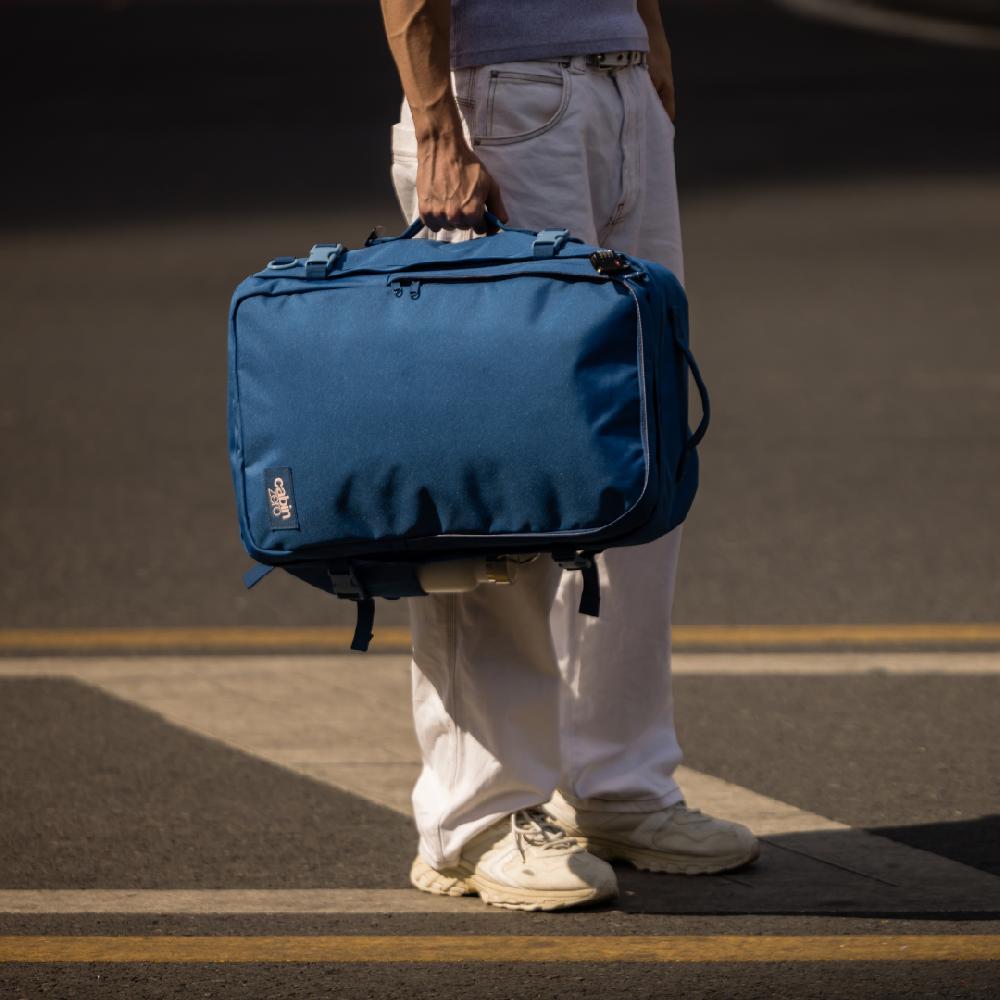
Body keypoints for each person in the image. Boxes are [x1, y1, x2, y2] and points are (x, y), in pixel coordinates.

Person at [380, 0, 759, 911]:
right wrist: (437, 118)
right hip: (504, 103)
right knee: (506, 471)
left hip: (615, 83)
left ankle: (617, 785)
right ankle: (474, 819)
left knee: (635, 459)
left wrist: (646, 39)